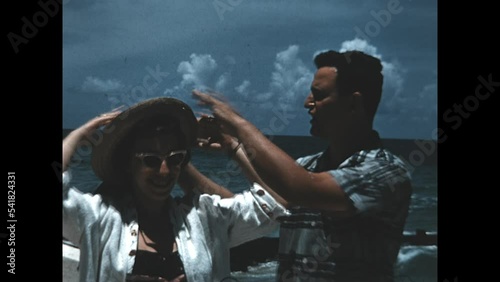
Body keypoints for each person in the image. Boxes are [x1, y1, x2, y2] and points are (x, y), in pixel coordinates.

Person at [191, 50, 413, 282]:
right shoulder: (308, 166)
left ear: (353, 103)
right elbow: (277, 191)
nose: (307, 102)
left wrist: (236, 122)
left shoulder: (385, 171)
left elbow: (299, 188)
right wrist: (231, 145)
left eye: (318, 95)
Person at [62, 97, 289, 282]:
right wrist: (78, 135)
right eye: (151, 160)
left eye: (174, 159)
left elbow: (274, 204)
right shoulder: (98, 218)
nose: (164, 171)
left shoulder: (203, 218)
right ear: (128, 164)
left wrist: (234, 146)